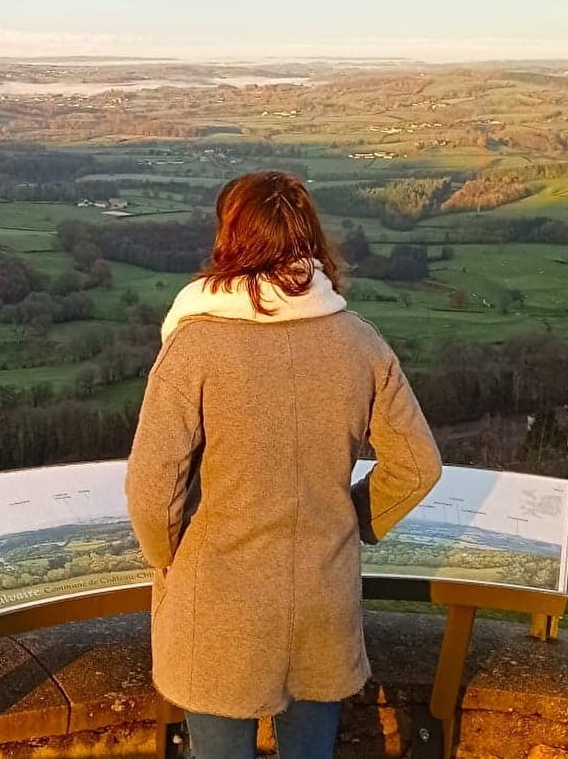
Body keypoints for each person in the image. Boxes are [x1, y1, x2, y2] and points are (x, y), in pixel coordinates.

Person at [125, 170, 442, 759]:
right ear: (310, 239)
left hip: (217, 605)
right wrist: (354, 519)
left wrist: (173, 556)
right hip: (322, 595)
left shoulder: (194, 346)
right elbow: (418, 465)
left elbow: (151, 491)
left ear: (230, 238)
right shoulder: (360, 342)